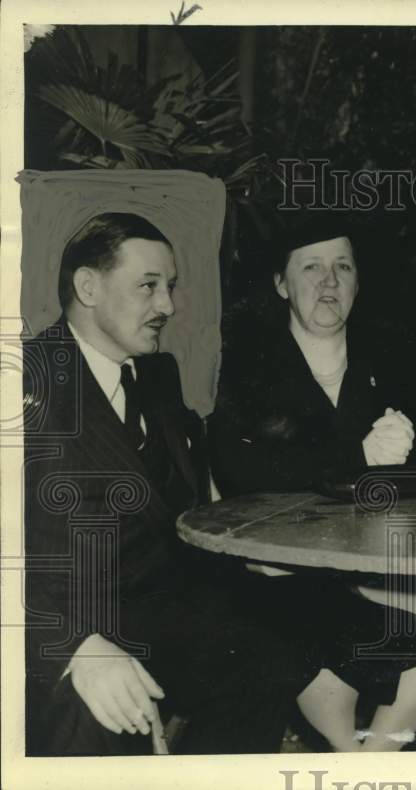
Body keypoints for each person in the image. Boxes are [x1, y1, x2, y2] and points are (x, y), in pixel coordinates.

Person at [22, 212, 333, 755]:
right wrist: (75, 648)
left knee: (274, 655)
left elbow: (183, 507)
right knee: (98, 725)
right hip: (56, 620)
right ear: (87, 287)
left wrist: (247, 550)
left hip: (157, 607)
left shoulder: (157, 377)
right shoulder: (24, 385)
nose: (167, 305)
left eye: (169, 288)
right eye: (148, 286)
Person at [208, 215, 416, 752]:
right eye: (311, 267)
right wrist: (357, 456)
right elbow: (242, 473)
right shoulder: (246, 367)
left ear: (359, 282)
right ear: (281, 285)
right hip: (281, 574)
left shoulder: (393, 360)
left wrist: (407, 455)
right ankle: (360, 763)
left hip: (382, 569)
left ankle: (358, 768)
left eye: (343, 266)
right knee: (325, 650)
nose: (329, 281)